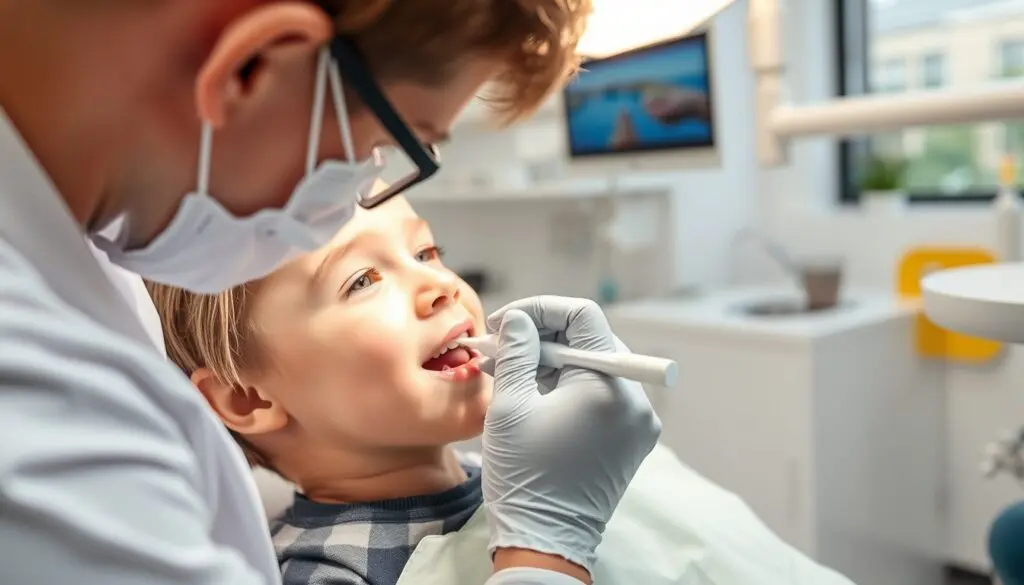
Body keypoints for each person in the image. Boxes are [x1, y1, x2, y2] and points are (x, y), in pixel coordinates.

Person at [0, 2, 661, 585]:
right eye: (386, 142)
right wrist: (544, 555)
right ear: (254, 67)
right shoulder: (29, 399)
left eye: (428, 251)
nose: (435, 284)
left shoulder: (71, 260)